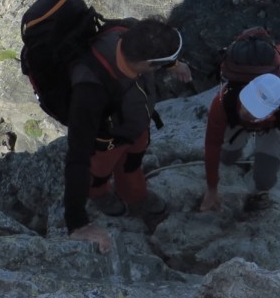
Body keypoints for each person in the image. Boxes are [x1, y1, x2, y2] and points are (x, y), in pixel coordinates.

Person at [65, 17, 191, 253]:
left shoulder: (126, 32)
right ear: (148, 64)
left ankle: (135, 196)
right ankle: (100, 195)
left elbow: (149, 51)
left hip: (135, 129)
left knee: (132, 165)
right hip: (105, 142)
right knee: (98, 175)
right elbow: (77, 156)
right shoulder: (90, 88)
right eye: (162, 63)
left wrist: (173, 64)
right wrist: (77, 222)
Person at [199, 73, 280, 223]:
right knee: (227, 157)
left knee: (264, 180)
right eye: (248, 103)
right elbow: (212, 144)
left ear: (273, 112)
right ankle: (240, 146)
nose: (247, 111)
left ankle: (256, 173)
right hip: (235, 121)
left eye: (255, 110)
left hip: (270, 128)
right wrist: (212, 189)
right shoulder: (223, 100)